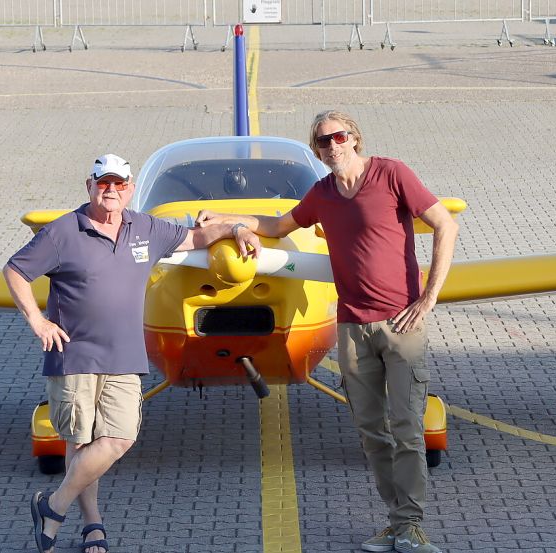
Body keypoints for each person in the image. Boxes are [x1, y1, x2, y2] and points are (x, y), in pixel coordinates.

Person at [196, 111, 458, 553]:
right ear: (317, 150)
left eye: (338, 137)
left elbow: (445, 224)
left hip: (400, 322)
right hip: (352, 326)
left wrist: (429, 297)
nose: (331, 146)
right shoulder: (322, 193)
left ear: (354, 138)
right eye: (322, 142)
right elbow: (280, 226)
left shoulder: (391, 173)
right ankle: (396, 524)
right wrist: (228, 219)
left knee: (407, 427)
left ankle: (412, 524)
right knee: (371, 430)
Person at [4, 153, 260, 553]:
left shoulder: (145, 228)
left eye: (119, 184)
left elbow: (197, 238)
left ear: (130, 189)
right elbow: (15, 270)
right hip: (74, 356)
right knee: (80, 443)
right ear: (89, 186)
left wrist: (239, 227)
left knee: (119, 438)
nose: (111, 190)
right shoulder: (62, 232)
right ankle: (93, 526)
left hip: (124, 356)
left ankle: (52, 506)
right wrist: (37, 321)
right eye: (103, 183)